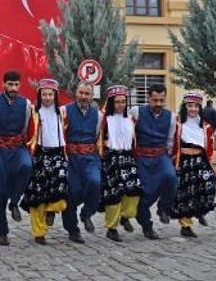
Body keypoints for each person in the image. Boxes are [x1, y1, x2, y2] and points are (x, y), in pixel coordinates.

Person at [20, 79, 69, 245]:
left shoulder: (61, 113)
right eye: (44, 94)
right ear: (39, 95)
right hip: (39, 155)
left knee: (61, 188)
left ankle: (52, 210)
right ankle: (39, 232)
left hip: (58, 155)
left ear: (55, 96)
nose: (47, 97)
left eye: (50, 94)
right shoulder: (33, 111)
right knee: (37, 197)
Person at [0, 70, 34, 246]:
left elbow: (28, 128)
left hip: (18, 147)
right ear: (3, 84)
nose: (13, 88)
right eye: (10, 84)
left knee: (26, 166)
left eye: (16, 85)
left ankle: (14, 202)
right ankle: (3, 232)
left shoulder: (26, 104)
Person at [129, 84, 179, 240]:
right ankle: (147, 226)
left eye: (161, 100)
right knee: (144, 194)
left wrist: (168, 158)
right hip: (142, 157)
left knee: (171, 177)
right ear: (148, 98)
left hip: (161, 155)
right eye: (155, 100)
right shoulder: (136, 112)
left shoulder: (171, 117)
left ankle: (163, 208)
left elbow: (170, 140)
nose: (158, 104)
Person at [99, 85, 143, 242]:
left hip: (128, 158)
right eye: (117, 102)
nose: (120, 105)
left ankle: (126, 215)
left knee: (135, 189)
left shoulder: (130, 119)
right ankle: (112, 228)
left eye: (123, 101)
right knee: (114, 194)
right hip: (111, 159)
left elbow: (134, 140)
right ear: (111, 103)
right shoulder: (104, 118)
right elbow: (99, 138)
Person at [61, 81, 103, 243]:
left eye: (87, 94)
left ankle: (87, 214)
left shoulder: (98, 115)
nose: (84, 97)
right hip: (71, 158)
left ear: (92, 96)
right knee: (71, 192)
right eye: (81, 93)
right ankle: (73, 230)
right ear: (76, 93)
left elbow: (98, 135)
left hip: (90, 158)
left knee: (95, 182)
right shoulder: (64, 111)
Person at [171, 92, 216, 238]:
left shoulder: (205, 126)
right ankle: (186, 226)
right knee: (185, 193)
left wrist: (209, 161)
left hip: (200, 161)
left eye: (196, 106)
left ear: (200, 108)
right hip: (184, 162)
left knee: (208, 185)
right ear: (185, 107)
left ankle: (200, 211)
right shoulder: (177, 124)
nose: (193, 109)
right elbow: (171, 143)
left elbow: (210, 144)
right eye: (190, 106)